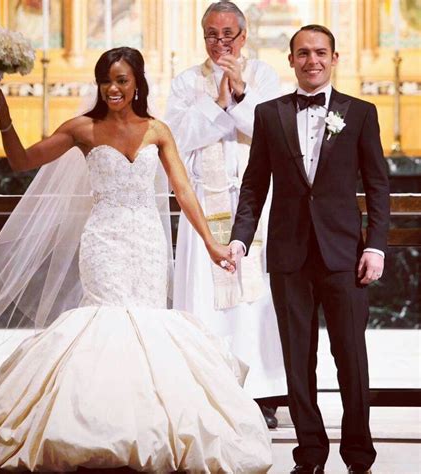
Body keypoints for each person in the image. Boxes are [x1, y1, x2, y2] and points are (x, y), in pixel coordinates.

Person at [0, 47, 272, 473]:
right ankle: (95, 427)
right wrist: (5, 117)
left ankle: (147, 427)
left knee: (148, 326)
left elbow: (184, 190)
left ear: (137, 82)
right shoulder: (82, 128)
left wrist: (212, 242)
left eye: (121, 80)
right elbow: (22, 160)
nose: (113, 88)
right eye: (106, 80)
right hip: (104, 241)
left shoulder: (158, 130)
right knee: (105, 322)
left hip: (147, 243)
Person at [228, 25, 390, 474]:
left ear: (334, 58)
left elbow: (377, 186)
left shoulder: (360, 113)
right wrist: (241, 237)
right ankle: (310, 455)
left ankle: (359, 456)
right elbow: (254, 185)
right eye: (303, 53)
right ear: (291, 59)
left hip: (345, 257)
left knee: (351, 360)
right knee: (298, 362)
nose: (312, 60)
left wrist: (375, 246)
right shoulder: (269, 113)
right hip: (289, 256)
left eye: (320, 53)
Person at [165, 0, 286, 428]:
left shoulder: (265, 77)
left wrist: (240, 97)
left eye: (228, 35)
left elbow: (273, 130)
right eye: (212, 35)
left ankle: (261, 396)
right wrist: (218, 104)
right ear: (203, 38)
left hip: (256, 203)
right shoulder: (184, 83)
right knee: (205, 296)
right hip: (204, 204)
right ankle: (204, 388)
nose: (220, 43)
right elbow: (176, 139)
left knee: (257, 301)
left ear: (243, 36)